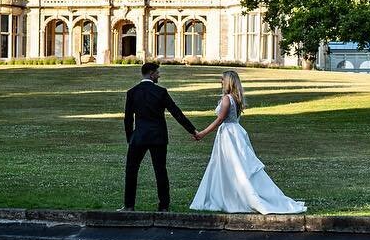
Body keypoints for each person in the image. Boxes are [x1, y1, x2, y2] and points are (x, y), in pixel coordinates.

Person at [190, 70, 306, 214]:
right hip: (235, 132)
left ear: (228, 81)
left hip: (229, 135)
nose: (220, 82)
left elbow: (220, 120)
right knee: (233, 165)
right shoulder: (236, 98)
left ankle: (233, 197)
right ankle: (229, 195)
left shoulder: (227, 99)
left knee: (234, 166)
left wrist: (202, 133)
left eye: (222, 79)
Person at [122, 61, 200, 212]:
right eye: (157, 72)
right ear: (151, 74)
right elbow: (176, 112)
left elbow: (128, 119)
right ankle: (164, 206)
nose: (159, 75)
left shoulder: (132, 92)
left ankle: (129, 205)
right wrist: (192, 130)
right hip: (158, 137)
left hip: (138, 137)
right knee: (160, 171)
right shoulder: (161, 92)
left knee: (131, 171)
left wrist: (130, 138)